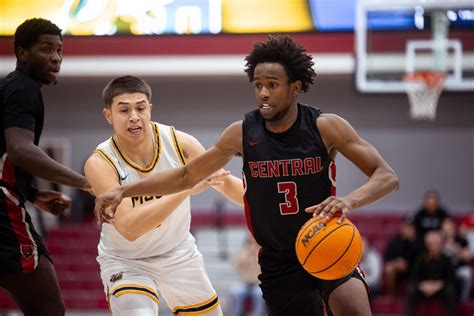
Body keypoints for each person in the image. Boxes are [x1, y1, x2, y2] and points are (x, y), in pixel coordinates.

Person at [94, 35, 399, 315]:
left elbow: (386, 176)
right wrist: (124, 191)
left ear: (295, 86)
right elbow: (187, 176)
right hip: (279, 260)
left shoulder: (325, 126)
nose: (263, 93)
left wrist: (349, 200)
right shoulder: (241, 133)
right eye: (258, 85)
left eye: (273, 84)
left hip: (326, 240)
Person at [84, 76, 244, 315]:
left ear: (150, 109)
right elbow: (130, 228)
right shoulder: (100, 163)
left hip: (178, 253)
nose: (134, 116)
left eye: (140, 108)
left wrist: (270, 207)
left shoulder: (180, 143)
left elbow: (223, 182)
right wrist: (184, 189)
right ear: (108, 115)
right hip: (126, 260)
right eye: (124, 110)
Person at [0, 18, 91, 316]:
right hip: (3, 209)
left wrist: (34, 193)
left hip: (11, 195)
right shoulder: (23, 89)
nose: (55, 57)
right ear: (23, 53)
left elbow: (7, 156)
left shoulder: (11, 88)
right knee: (49, 309)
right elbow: (20, 149)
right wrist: (85, 182)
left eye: (59, 50)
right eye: (46, 49)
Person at [406, 231, 457, 316]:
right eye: (431, 244)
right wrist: (422, 285)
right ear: (427, 245)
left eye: (437, 244)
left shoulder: (447, 260)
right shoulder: (421, 259)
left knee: (450, 291)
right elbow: (414, 277)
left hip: (440, 289)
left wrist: (437, 285)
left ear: (441, 245)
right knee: (411, 291)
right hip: (424, 289)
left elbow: (451, 278)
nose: (434, 247)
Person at [383, 215, 420, 296]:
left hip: (414, 270)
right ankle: (391, 296)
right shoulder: (395, 241)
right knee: (389, 268)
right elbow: (387, 257)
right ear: (402, 227)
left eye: (411, 227)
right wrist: (396, 263)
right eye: (406, 227)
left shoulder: (419, 242)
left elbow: (421, 260)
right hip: (399, 272)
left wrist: (408, 264)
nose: (408, 230)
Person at [229, 235, 266, 316]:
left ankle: (257, 314)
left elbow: (263, 267)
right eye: (250, 243)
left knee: (259, 294)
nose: (252, 245)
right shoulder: (243, 253)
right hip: (245, 284)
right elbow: (238, 265)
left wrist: (256, 255)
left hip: (258, 284)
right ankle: (237, 313)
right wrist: (248, 254)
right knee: (236, 292)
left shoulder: (261, 254)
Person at [440, 217, 472, 301]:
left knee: (467, 272)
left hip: (458, 267)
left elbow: (467, 257)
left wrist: (455, 249)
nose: (448, 230)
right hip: (444, 269)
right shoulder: (439, 241)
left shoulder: (461, 239)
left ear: (454, 227)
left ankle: (463, 298)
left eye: (450, 227)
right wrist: (443, 245)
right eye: (446, 228)